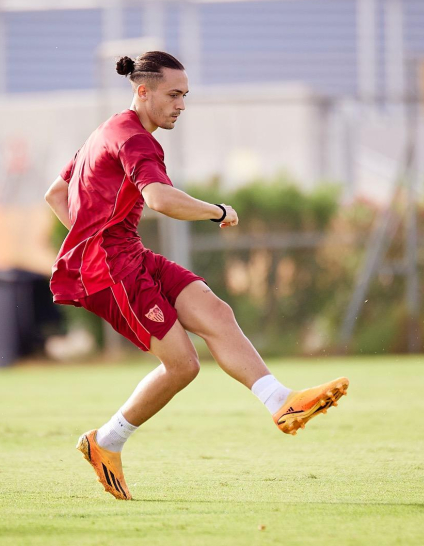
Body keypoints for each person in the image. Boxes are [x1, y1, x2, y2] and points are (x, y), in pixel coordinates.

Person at [44, 51, 348, 501]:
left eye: (185, 95)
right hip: (110, 268)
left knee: (216, 312)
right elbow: (161, 199)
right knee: (183, 366)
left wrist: (88, 234)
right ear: (142, 91)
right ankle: (105, 442)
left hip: (128, 254)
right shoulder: (136, 140)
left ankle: (281, 402)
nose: (181, 105)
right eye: (172, 95)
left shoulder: (106, 130)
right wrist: (217, 210)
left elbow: (56, 193)